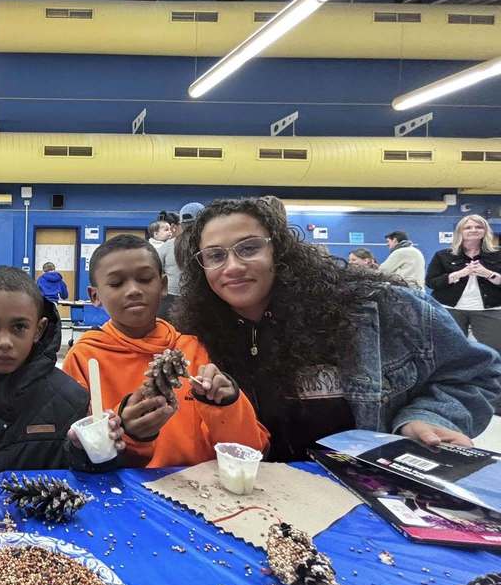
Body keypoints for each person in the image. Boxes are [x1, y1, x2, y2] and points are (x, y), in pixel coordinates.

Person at [175, 198, 501, 462]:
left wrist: (429, 417)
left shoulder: (377, 307)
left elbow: (475, 374)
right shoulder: (196, 335)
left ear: (280, 251)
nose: (232, 267)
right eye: (215, 256)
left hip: (366, 498)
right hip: (256, 499)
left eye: (248, 248)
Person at [62, 234, 268, 468]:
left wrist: (228, 403)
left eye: (145, 279)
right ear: (95, 296)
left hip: (200, 488)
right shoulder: (85, 357)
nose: (133, 290)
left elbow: (252, 449)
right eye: (117, 283)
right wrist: (130, 434)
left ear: (163, 286)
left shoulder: (194, 349)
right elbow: (79, 453)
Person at [0, 267, 122, 472]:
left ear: (38, 330)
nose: (4, 342)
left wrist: (87, 451)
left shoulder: (71, 398)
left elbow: (87, 481)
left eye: (19, 327)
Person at [426, 214, 501, 353]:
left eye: (478, 227)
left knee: (495, 350)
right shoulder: (443, 255)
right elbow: (431, 282)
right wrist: (460, 273)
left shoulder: (498, 254)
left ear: (485, 231)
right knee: (449, 350)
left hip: (490, 310)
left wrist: (488, 274)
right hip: (450, 309)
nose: (473, 230)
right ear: (460, 232)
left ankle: (493, 375)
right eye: (468, 227)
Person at [156, 202, 203, 323]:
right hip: (200, 303)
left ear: (181, 224)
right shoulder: (209, 245)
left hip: (169, 304)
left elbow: (154, 270)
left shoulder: (167, 246)